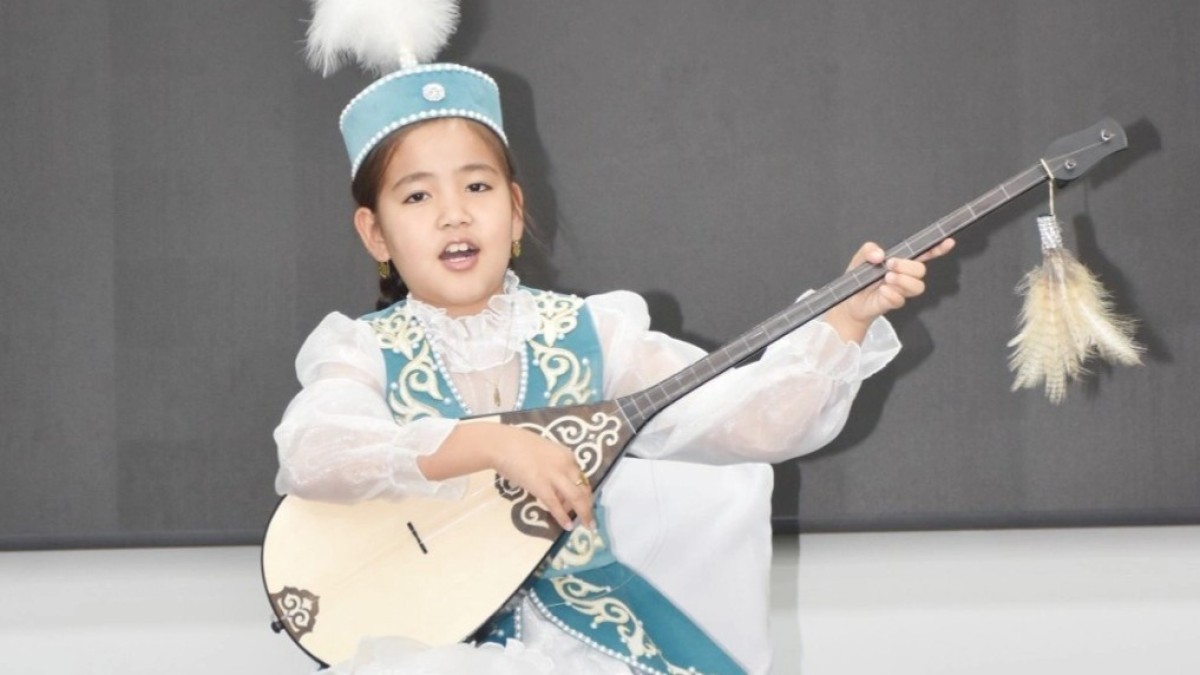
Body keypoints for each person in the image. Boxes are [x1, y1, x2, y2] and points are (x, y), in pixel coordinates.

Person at [272, 61, 953, 675]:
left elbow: (751, 422)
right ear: (375, 233)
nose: (454, 215)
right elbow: (315, 451)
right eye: (417, 197)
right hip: (422, 637)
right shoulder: (362, 349)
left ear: (515, 212)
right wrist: (491, 444)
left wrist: (845, 320)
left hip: (588, 636)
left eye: (477, 186)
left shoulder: (592, 335)